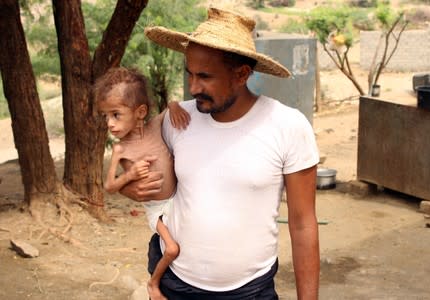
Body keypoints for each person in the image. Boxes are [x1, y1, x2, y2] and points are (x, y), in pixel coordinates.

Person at [122, 7, 320, 300]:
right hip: (174, 284)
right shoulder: (177, 120)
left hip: (249, 290)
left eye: (205, 76)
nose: (193, 87)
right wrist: (131, 186)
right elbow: (127, 159)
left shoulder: (287, 126)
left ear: (241, 75)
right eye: (189, 73)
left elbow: (303, 224)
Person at [94, 67, 190, 300]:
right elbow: (109, 186)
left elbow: (171, 107)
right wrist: (130, 175)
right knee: (172, 248)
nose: (109, 123)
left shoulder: (156, 127)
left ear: (140, 112)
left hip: (177, 200)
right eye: (105, 116)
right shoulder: (120, 149)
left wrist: (175, 105)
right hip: (156, 209)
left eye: (115, 114)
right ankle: (153, 284)